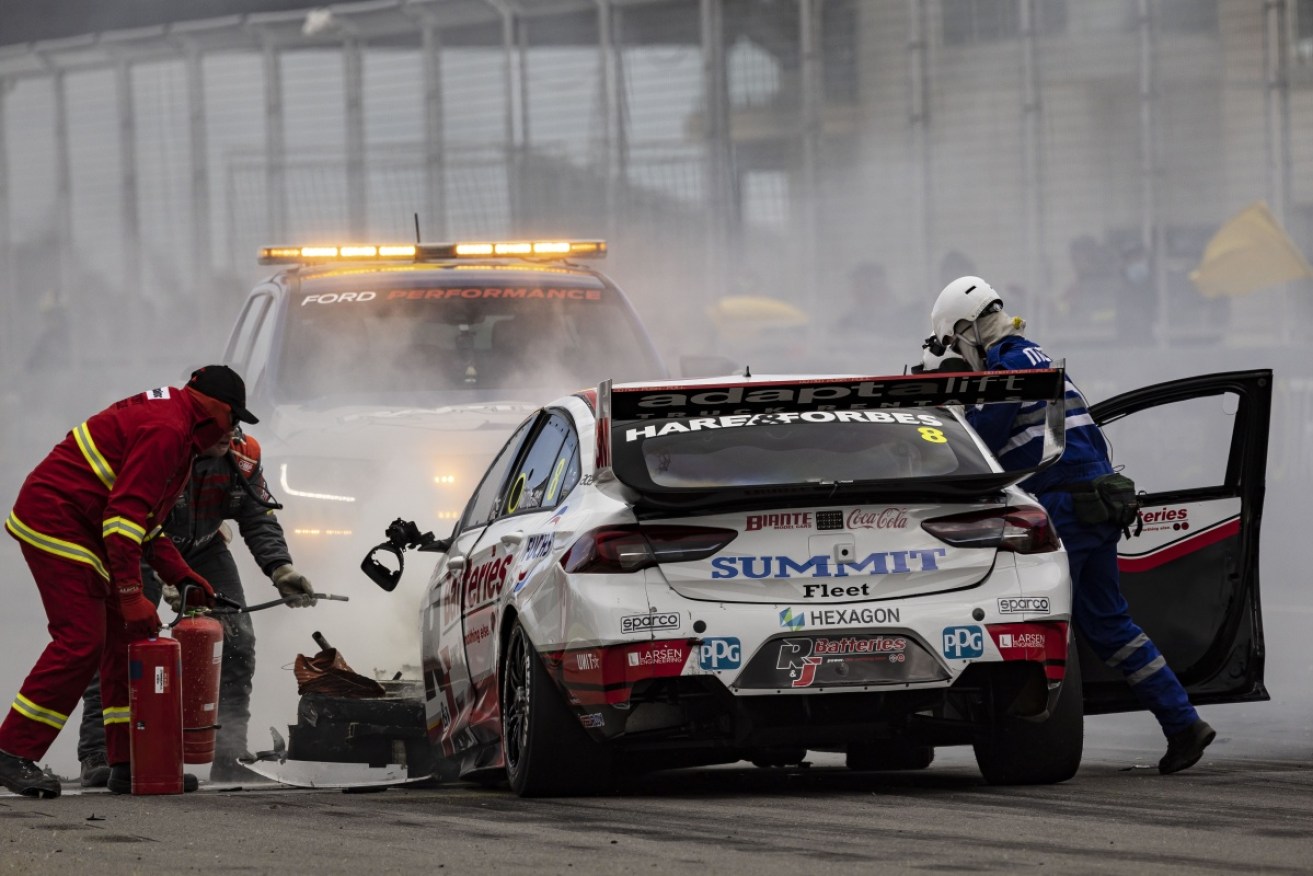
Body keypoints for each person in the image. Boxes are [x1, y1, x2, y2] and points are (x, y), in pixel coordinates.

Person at [926, 276, 1216, 776]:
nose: (959, 355)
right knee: (1108, 624)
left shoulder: (1007, 369)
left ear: (966, 330)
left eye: (955, 345)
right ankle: (1183, 723)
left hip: (1064, 505)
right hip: (1097, 503)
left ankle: (1025, 718)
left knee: (1023, 612)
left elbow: (981, 448)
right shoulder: (1035, 355)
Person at [0, 365, 255, 798]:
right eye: (234, 421)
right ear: (217, 410)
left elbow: (144, 521)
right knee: (82, 640)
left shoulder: (179, 427)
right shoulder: (168, 431)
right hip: (57, 519)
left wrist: (180, 572)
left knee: (120, 641)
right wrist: (132, 594)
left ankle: (126, 760)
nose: (233, 434)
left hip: (84, 520)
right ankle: (11, 750)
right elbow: (122, 522)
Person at [76, 427, 315, 788]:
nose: (227, 440)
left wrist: (281, 568)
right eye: (218, 433)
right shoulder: (163, 450)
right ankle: (100, 755)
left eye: (231, 430)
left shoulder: (243, 454)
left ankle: (229, 752)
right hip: (139, 545)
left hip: (204, 548)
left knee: (237, 639)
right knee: (121, 641)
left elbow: (257, 515)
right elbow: (129, 517)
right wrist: (169, 575)